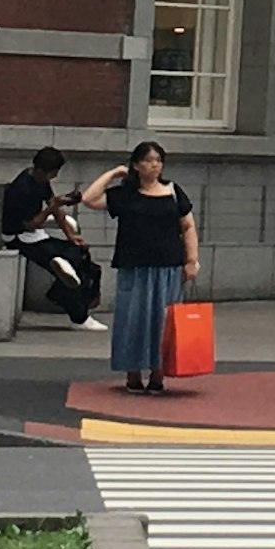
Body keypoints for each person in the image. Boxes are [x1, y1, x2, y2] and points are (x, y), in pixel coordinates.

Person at [84, 139, 199, 392]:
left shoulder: (173, 191)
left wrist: (191, 260)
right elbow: (89, 199)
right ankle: (132, 373)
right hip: (134, 266)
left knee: (163, 322)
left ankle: (158, 374)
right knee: (133, 319)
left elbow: (188, 226)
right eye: (148, 160)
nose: (154, 165)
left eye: (158, 160)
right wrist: (114, 173)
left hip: (168, 266)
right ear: (136, 165)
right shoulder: (125, 194)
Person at [0, 147, 98, 327]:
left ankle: (60, 294)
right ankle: (79, 317)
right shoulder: (21, 189)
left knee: (81, 255)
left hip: (34, 233)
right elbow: (30, 224)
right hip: (18, 237)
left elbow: (54, 207)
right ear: (41, 170)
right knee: (66, 263)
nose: (54, 177)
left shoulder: (39, 180)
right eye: (52, 173)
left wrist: (71, 236)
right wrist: (51, 207)